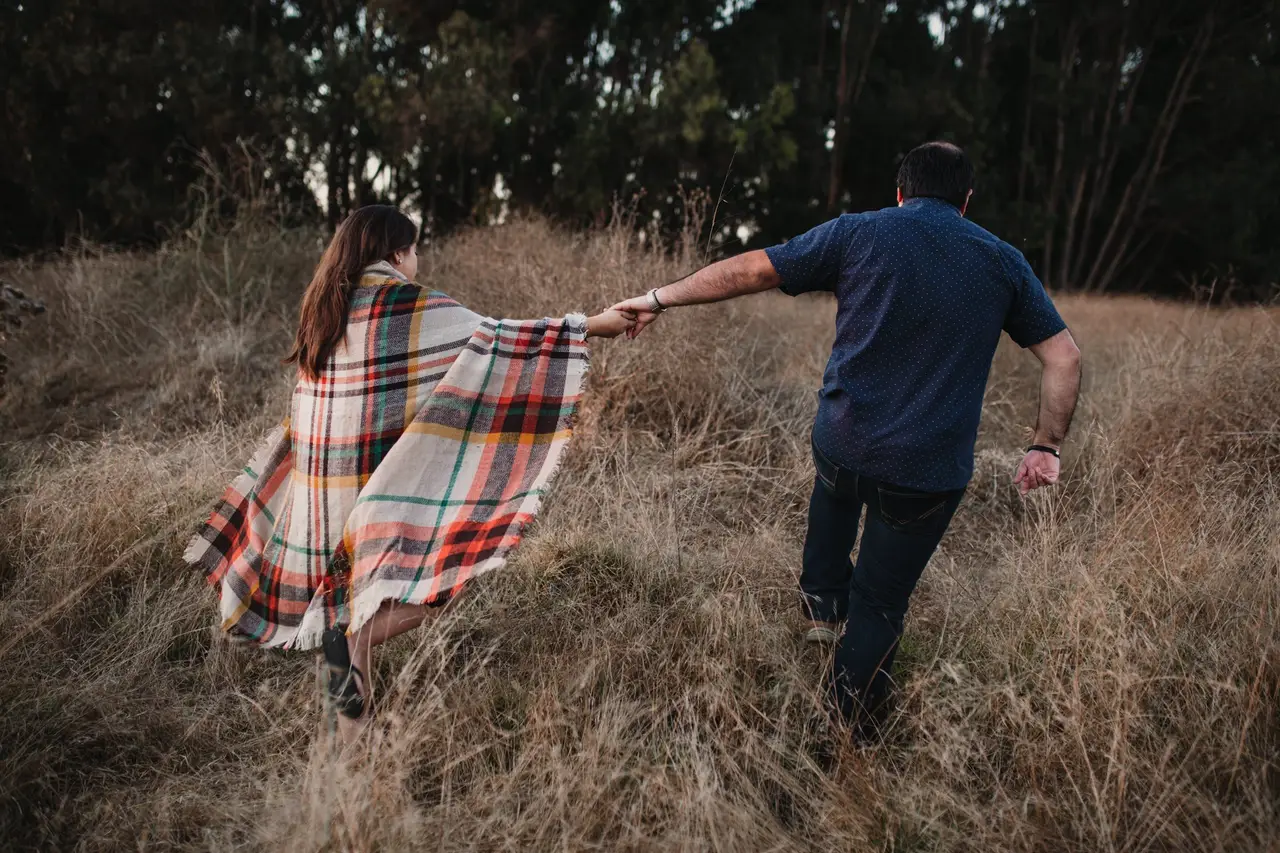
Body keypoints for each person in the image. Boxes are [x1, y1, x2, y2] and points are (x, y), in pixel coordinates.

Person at [612, 141, 1081, 732]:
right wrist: (1045, 446)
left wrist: (658, 298)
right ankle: (847, 731)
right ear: (965, 201)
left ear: (901, 192)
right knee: (880, 604)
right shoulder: (1002, 261)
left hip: (845, 443)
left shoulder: (858, 232)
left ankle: (821, 607)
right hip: (926, 473)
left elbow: (751, 269)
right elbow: (1064, 357)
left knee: (834, 490)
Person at [185, 205, 636, 741]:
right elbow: (496, 339)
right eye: (416, 249)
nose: (418, 259)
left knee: (346, 609)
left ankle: (349, 755)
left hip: (324, 485)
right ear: (398, 252)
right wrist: (591, 326)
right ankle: (346, 641)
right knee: (439, 583)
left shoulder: (326, 305)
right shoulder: (403, 301)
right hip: (368, 484)